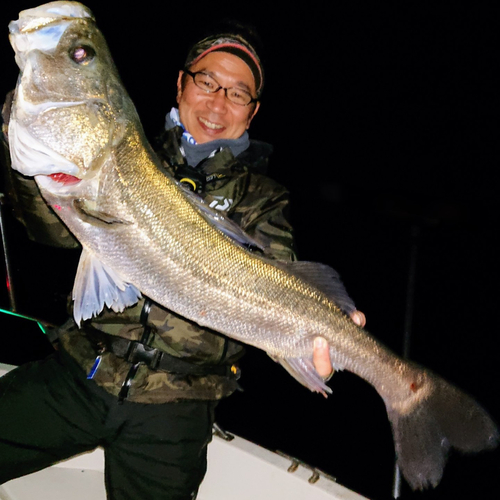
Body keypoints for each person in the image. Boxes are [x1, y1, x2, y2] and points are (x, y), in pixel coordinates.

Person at [0, 22, 365, 500]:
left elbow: (278, 273)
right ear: (181, 84)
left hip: (177, 409)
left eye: (238, 93)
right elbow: (52, 234)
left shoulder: (263, 199)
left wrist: (315, 330)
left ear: (252, 112)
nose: (217, 103)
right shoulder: (131, 152)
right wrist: (30, 169)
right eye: (207, 81)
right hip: (80, 372)